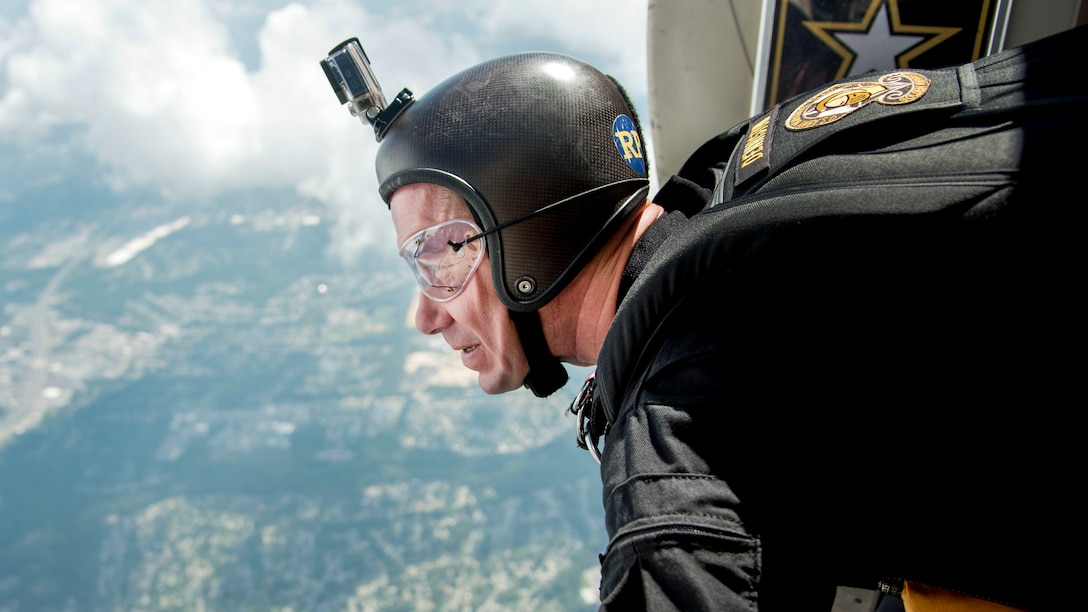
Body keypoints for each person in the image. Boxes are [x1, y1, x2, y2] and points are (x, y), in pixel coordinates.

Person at [321, 24, 1086, 611]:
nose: (425, 313)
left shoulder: (678, 440)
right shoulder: (753, 165)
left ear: (528, 227)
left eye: (441, 253)